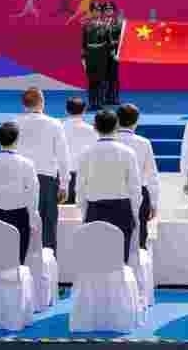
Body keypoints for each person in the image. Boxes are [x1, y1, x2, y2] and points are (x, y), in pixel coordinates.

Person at [76, 110, 142, 264]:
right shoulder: (128, 153)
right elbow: (135, 187)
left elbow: (80, 186)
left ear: (94, 127)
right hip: (121, 209)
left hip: (95, 208)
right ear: (117, 126)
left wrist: (84, 211)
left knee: (95, 259)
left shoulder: (86, 153)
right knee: (121, 260)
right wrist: (134, 213)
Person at [15, 88, 70, 251]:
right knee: (48, 226)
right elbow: (63, 156)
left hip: (21, 179)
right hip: (46, 180)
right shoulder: (54, 124)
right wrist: (64, 184)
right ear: (42, 102)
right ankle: (49, 260)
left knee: (22, 222)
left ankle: (22, 260)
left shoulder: (14, 123)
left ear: (24, 104)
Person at [0, 122, 38, 265]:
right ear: (17, 140)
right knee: (18, 262)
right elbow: (33, 194)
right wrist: (32, 219)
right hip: (19, 216)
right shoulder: (27, 163)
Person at [117, 103, 160, 250]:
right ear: (136, 121)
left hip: (114, 193)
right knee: (139, 240)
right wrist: (154, 202)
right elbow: (152, 175)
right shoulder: (144, 143)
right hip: (140, 192)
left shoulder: (109, 141)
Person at [63, 96, 98, 205]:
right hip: (85, 176)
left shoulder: (59, 128)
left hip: (63, 175)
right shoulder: (92, 130)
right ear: (84, 111)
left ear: (66, 110)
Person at [82, 1, 110, 111]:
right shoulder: (86, 25)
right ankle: (91, 103)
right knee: (91, 81)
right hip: (90, 55)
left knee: (101, 81)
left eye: (98, 10)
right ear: (91, 11)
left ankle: (100, 102)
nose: (97, 12)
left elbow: (108, 42)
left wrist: (108, 55)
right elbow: (83, 43)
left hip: (101, 55)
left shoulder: (105, 25)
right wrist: (83, 57)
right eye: (94, 10)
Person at [104, 2, 123, 106]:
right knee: (102, 77)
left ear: (114, 11)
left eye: (110, 8)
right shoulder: (99, 22)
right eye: (106, 9)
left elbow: (122, 38)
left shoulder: (118, 23)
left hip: (114, 54)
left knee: (114, 77)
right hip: (102, 53)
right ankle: (103, 98)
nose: (108, 10)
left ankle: (114, 98)